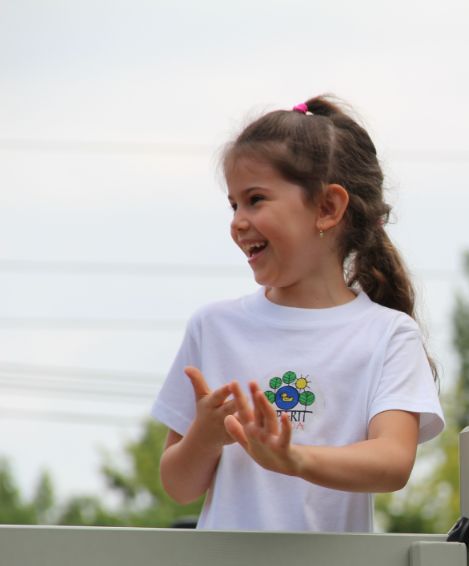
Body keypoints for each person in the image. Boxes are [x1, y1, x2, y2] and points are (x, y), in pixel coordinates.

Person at [152, 95, 443, 533]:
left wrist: (294, 459)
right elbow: (178, 485)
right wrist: (204, 438)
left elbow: (393, 462)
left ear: (327, 208)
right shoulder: (212, 328)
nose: (238, 222)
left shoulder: (387, 334)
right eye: (234, 204)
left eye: (255, 199)